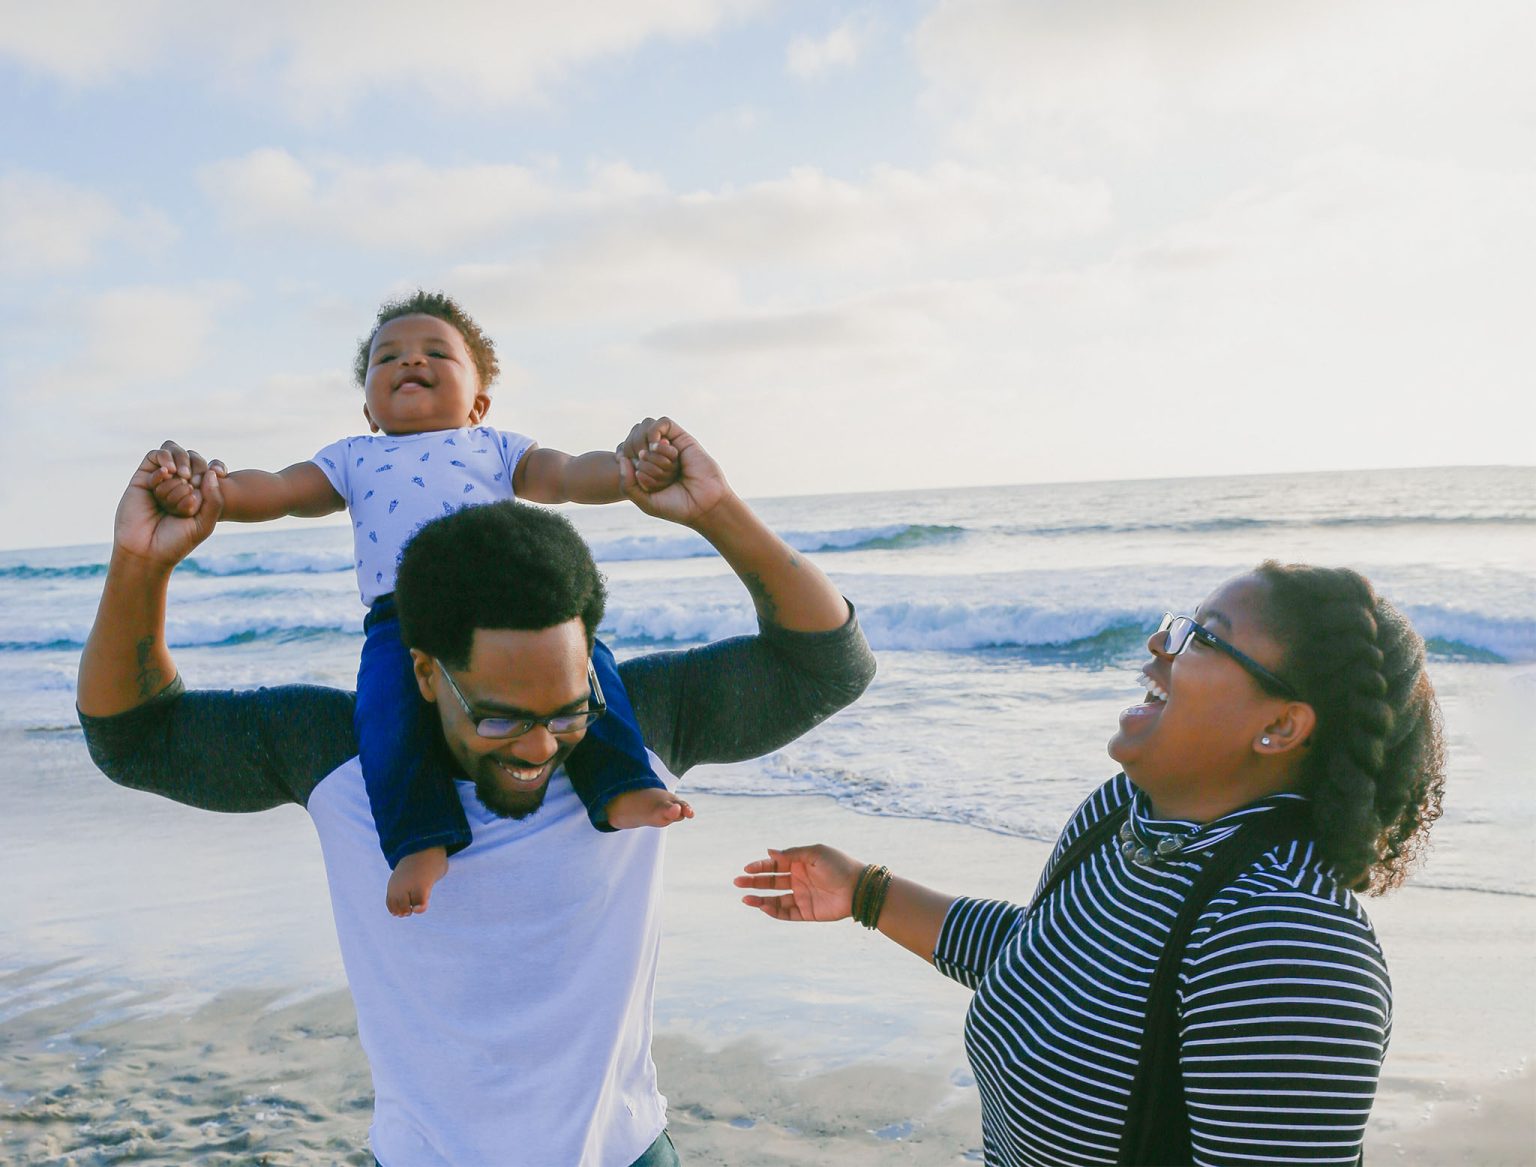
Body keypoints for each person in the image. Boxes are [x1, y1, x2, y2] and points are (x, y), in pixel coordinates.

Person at [78, 418, 876, 1167]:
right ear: (424, 671)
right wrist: (142, 566)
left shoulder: (637, 729)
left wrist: (717, 511)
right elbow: (135, 737)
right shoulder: (337, 752)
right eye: (499, 718)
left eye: (566, 710)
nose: (538, 745)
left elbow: (831, 664)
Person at [737, 565, 1445, 1166]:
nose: (1160, 643)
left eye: (1204, 637)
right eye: (1182, 622)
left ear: (1281, 726)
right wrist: (864, 891)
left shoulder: (1287, 942)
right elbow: (1049, 962)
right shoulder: (1123, 814)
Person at [148, 290, 688, 917]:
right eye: (388, 358)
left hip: (505, 606)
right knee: (384, 716)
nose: (410, 362)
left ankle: (622, 785)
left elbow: (567, 475)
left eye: (436, 352)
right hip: (399, 619)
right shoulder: (353, 457)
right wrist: (210, 490)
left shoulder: (497, 447)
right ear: (369, 409)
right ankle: (419, 839)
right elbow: (279, 490)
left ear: (479, 403)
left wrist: (627, 472)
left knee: (591, 669)